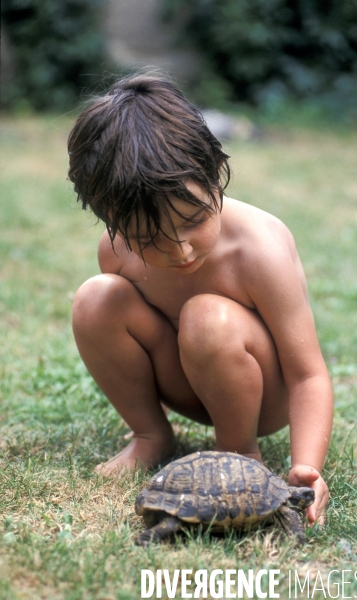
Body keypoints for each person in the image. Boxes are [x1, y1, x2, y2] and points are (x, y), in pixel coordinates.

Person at [68, 73, 333, 524]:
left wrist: (307, 466)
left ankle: (239, 450)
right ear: (109, 221)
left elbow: (307, 376)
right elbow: (128, 332)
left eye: (193, 220)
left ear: (214, 176)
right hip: (187, 379)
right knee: (96, 298)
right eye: (147, 238)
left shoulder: (259, 249)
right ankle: (151, 434)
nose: (180, 250)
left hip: (260, 392)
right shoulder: (117, 253)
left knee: (206, 315)